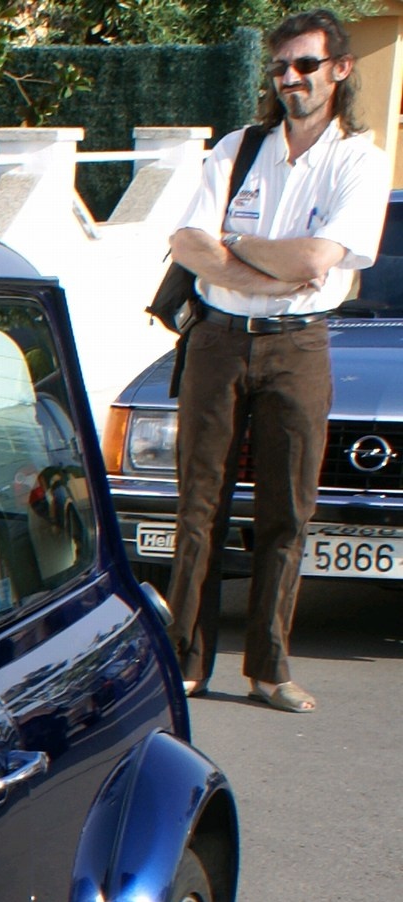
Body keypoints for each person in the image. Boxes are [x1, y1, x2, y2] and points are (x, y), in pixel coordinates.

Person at [164, 9, 392, 714]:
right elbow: (187, 243)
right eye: (280, 67)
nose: (290, 78)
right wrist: (264, 269)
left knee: (286, 512)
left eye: (305, 65)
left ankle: (268, 669)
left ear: (340, 70)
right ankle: (185, 662)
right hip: (217, 340)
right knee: (198, 507)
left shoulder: (360, 161)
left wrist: (235, 247)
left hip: (299, 346)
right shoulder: (240, 148)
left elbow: (319, 259)